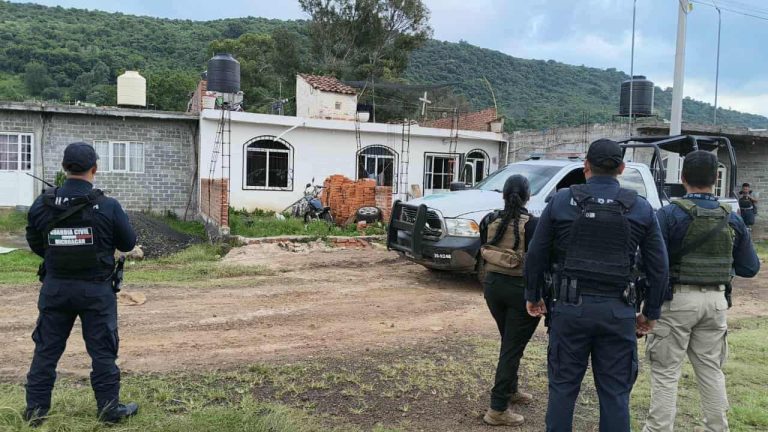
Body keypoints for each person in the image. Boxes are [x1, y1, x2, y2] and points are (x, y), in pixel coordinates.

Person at [524, 139, 669, 432]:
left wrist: (533, 295)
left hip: (570, 310)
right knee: (616, 394)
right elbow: (659, 267)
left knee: (563, 390)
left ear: (585, 166)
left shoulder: (562, 201)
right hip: (618, 313)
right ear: (622, 168)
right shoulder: (640, 208)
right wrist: (650, 312)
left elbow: (536, 253)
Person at [643, 151, 760, 432]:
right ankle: (717, 428)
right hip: (717, 302)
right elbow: (750, 267)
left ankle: (658, 429)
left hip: (677, 300)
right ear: (714, 179)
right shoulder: (731, 219)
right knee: (710, 370)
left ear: (683, 179)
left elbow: (651, 263)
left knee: (666, 372)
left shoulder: (668, 214)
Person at [24, 142, 139, 426]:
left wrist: (60, 256)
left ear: (65, 168)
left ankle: (35, 412)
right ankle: (109, 410)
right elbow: (128, 243)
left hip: (56, 289)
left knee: (46, 350)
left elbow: (35, 243)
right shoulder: (108, 205)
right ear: (94, 169)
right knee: (102, 352)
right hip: (96, 291)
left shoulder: (42, 203)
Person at [479, 175, 540, 427]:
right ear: (528, 196)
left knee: (509, 341)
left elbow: (482, 248)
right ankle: (497, 408)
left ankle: (511, 389)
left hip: (493, 287)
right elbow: (537, 262)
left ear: (503, 195)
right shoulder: (532, 224)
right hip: (519, 290)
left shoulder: (490, 219)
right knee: (512, 348)